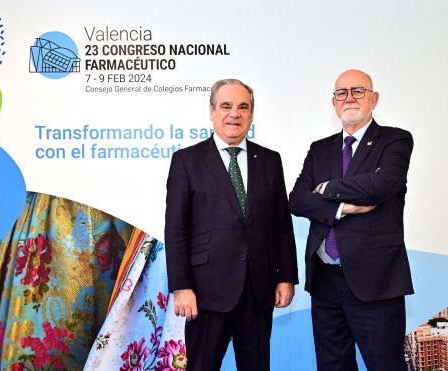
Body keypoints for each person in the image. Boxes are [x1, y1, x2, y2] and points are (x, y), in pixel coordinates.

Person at [164, 79, 298, 371]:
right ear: (212, 112)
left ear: (251, 115)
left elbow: (281, 224)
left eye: (243, 107)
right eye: (226, 106)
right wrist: (181, 287)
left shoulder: (270, 161)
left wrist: (286, 276)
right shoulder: (186, 161)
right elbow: (175, 230)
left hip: (258, 290)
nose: (234, 114)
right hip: (205, 293)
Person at [289, 69, 414, 371]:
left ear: (374, 98)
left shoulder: (395, 140)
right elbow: (296, 199)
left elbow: (382, 185)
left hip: (375, 279)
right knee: (332, 366)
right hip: (324, 279)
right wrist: (342, 208)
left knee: (385, 365)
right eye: (341, 92)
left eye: (357, 91)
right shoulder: (320, 149)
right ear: (334, 102)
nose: (349, 98)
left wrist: (328, 188)